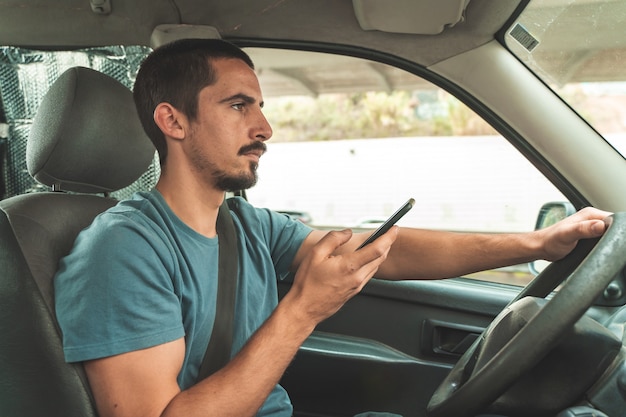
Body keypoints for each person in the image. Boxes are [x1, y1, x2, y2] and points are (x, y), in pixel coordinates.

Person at [54, 38, 611, 417]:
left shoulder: (243, 224)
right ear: (173, 121)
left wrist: (536, 242)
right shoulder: (122, 249)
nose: (265, 127)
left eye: (261, 106)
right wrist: (303, 309)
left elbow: (381, 252)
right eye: (238, 105)